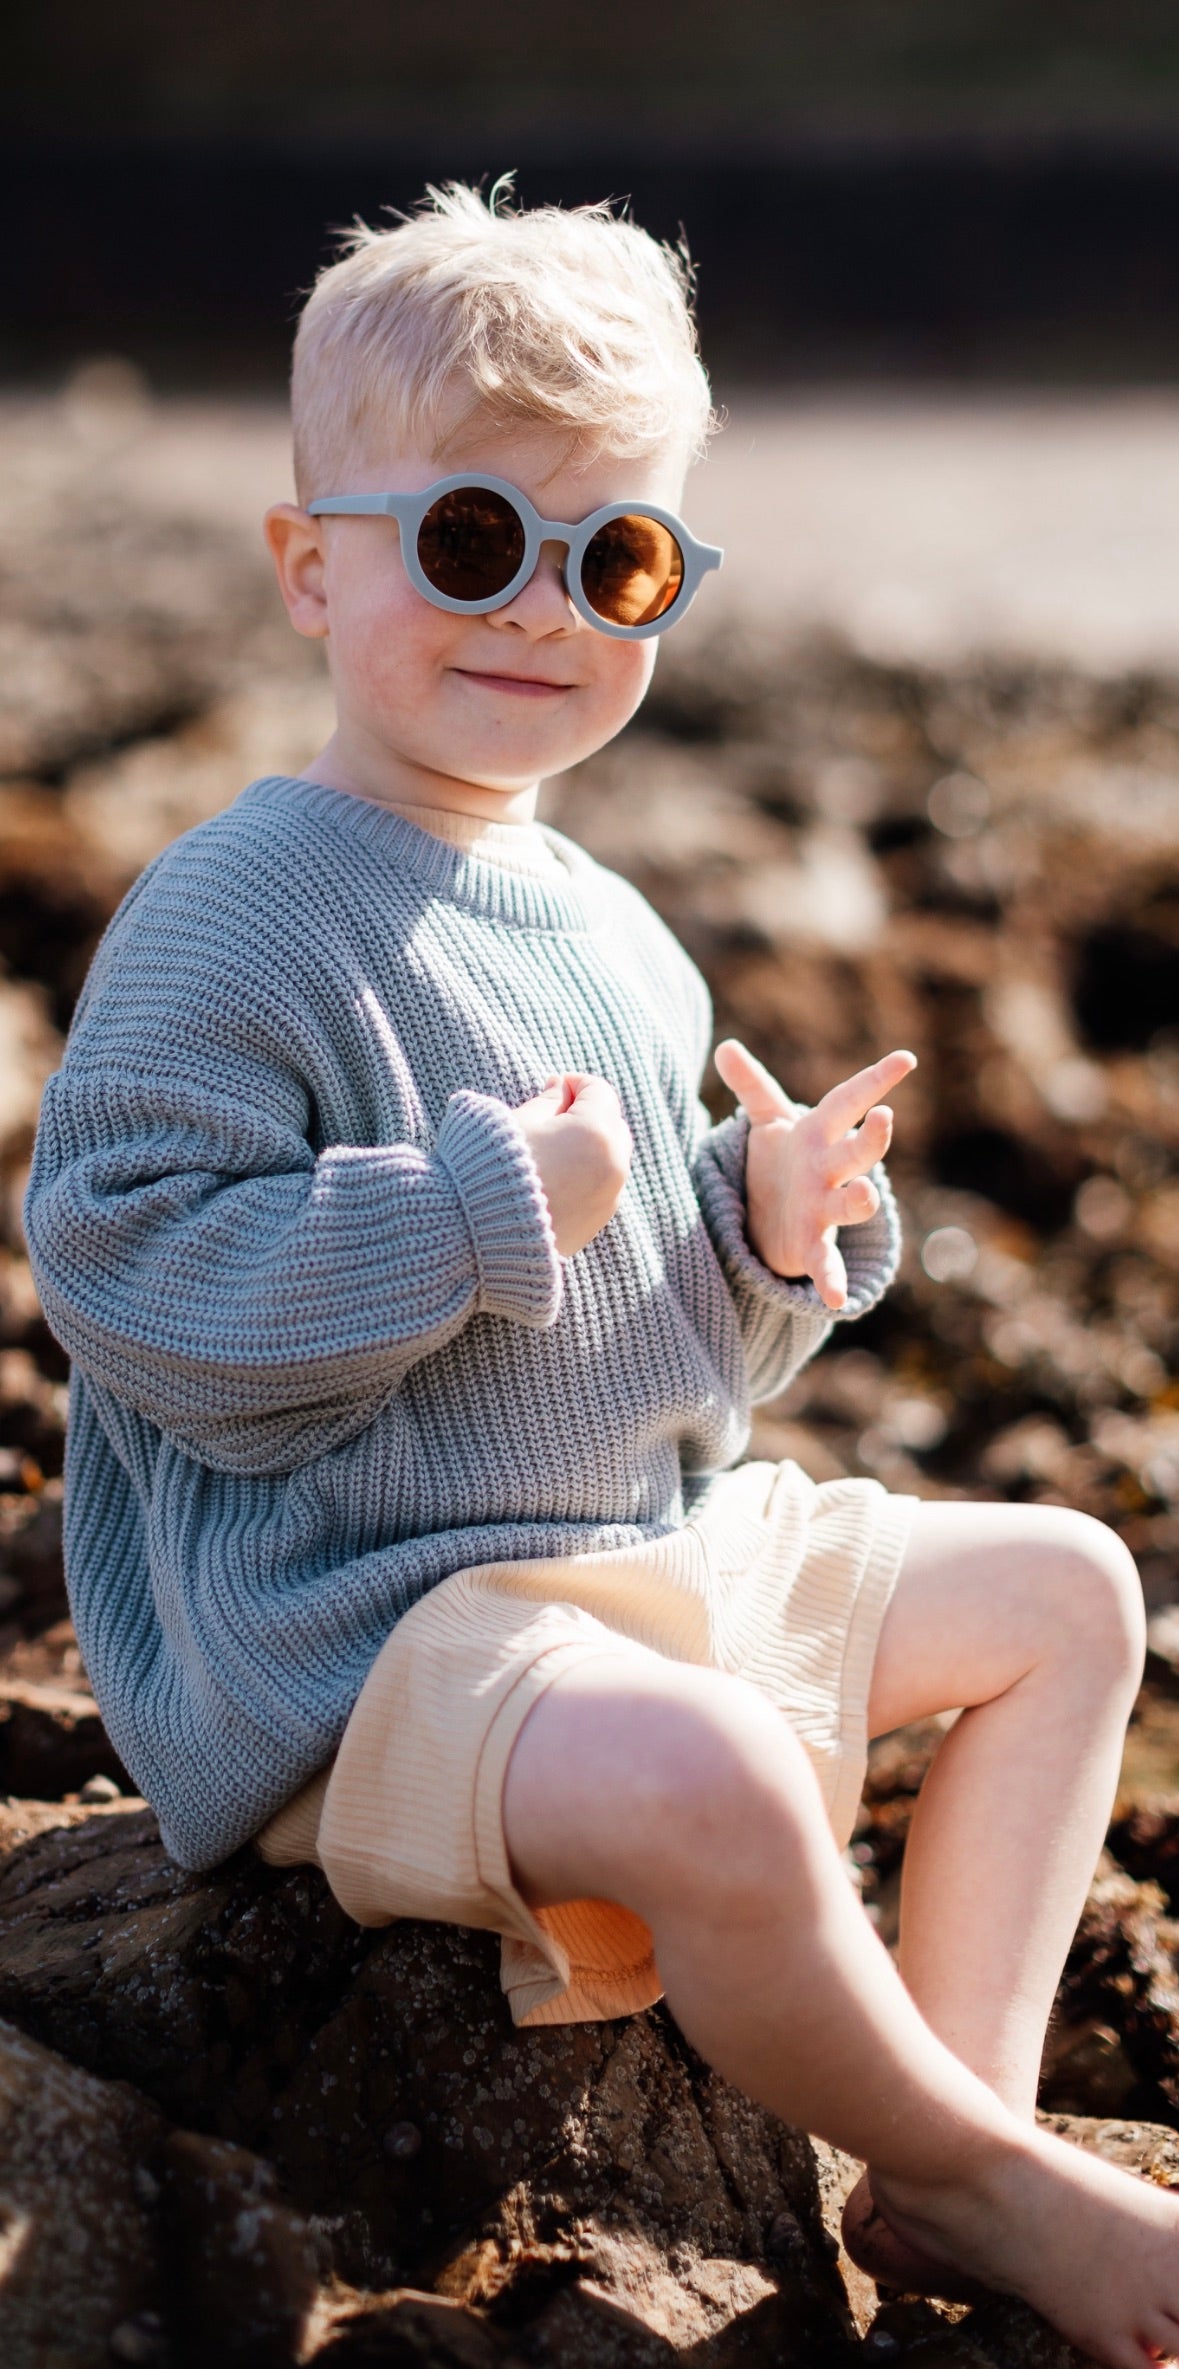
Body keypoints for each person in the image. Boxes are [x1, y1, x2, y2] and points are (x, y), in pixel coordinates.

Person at [23, 179, 1175, 2367]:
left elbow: (657, 1380)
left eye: (616, 560)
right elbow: (119, 1268)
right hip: (359, 1632)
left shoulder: (611, 929)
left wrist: (757, 1242)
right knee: (725, 1790)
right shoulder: (238, 905)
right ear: (309, 563)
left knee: (1067, 1595)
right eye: (471, 541)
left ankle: (953, 2153)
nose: (541, 610)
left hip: (616, 1551)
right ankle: (1008, 2181)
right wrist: (457, 1216)